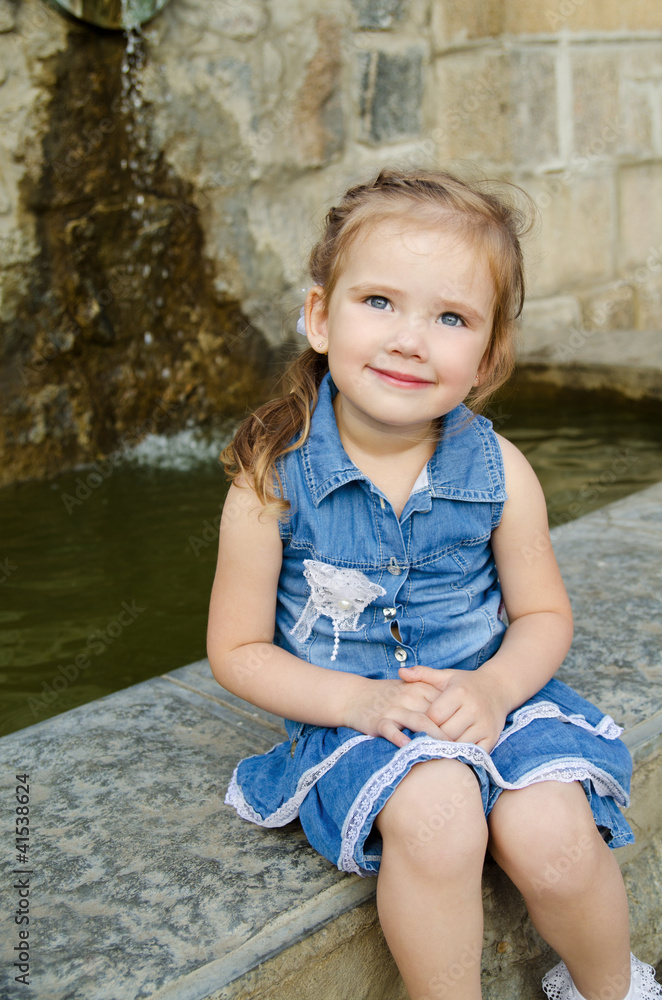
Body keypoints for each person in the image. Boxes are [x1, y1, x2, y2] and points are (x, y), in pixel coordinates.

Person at [207, 168, 660, 1000]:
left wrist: (494, 689)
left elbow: (543, 614)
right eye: (379, 301)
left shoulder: (500, 473)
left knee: (553, 835)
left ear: (486, 357)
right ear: (318, 317)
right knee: (441, 811)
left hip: (495, 699)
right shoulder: (271, 482)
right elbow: (236, 650)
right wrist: (356, 703)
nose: (410, 338)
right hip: (355, 719)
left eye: (450, 317)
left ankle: (615, 987)